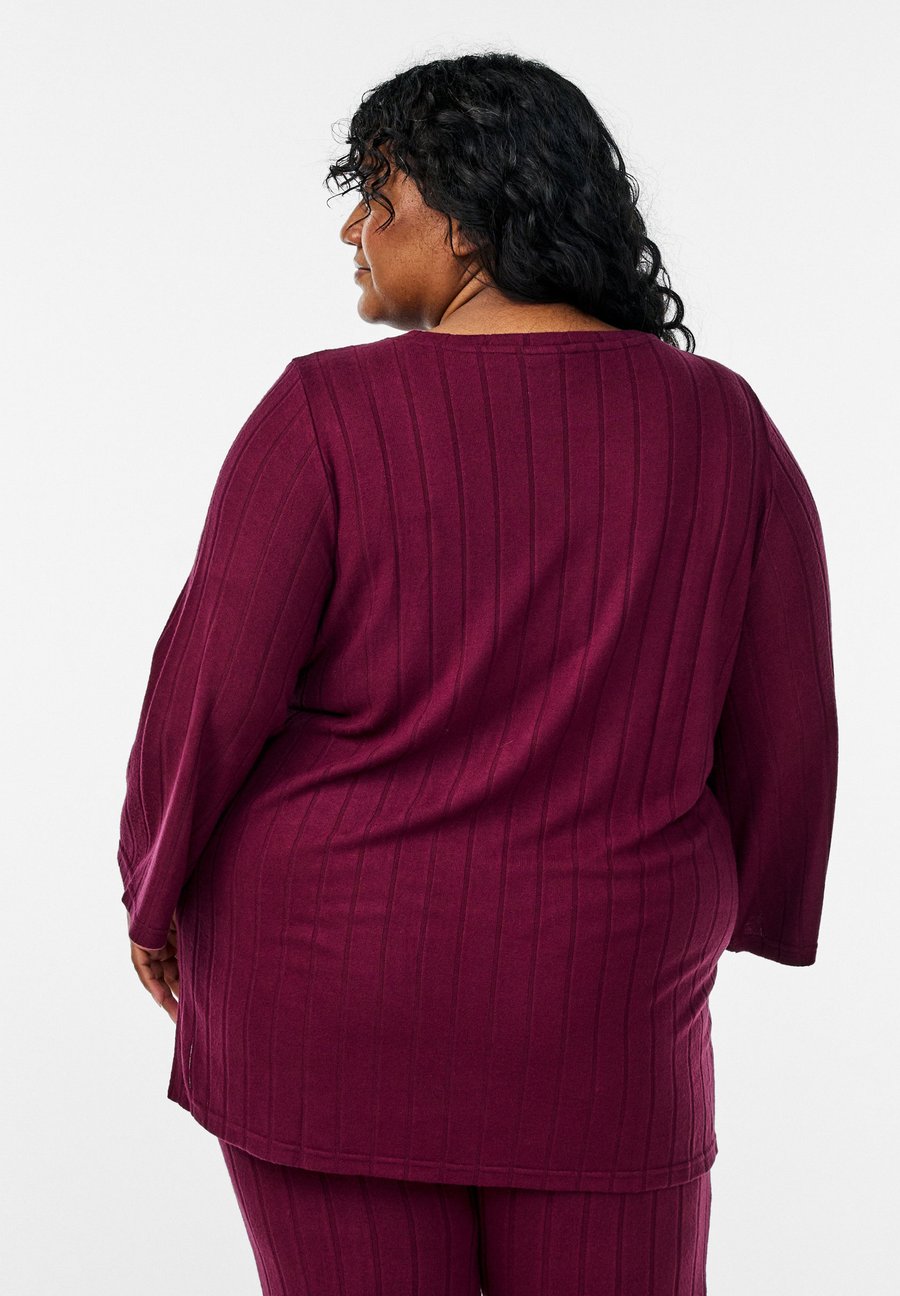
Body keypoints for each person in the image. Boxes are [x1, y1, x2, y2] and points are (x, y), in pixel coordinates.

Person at [118, 51, 839, 1296]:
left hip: (325, 982)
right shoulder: (724, 425)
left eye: (377, 196)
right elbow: (787, 724)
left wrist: (154, 884)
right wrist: (729, 911)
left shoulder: (322, 414)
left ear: (465, 220)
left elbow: (207, 697)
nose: (352, 229)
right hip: (601, 1001)